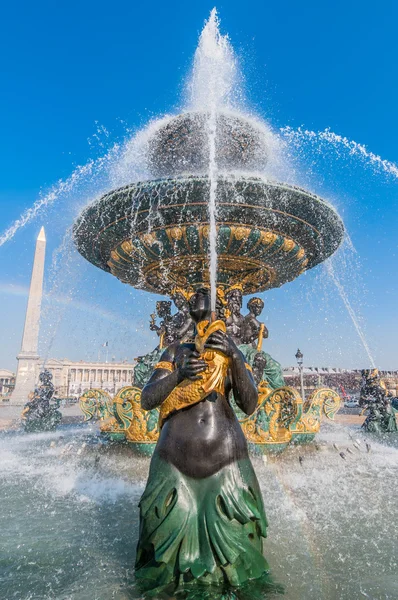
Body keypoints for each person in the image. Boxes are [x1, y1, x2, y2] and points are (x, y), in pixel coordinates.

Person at [135, 288, 269, 593]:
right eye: (195, 293)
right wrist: (178, 375)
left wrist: (235, 355)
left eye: (205, 293)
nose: (198, 293)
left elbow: (249, 404)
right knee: (162, 555)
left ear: (218, 307)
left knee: (236, 557)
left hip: (226, 463)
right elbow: (147, 399)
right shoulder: (174, 352)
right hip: (173, 463)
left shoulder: (229, 350)